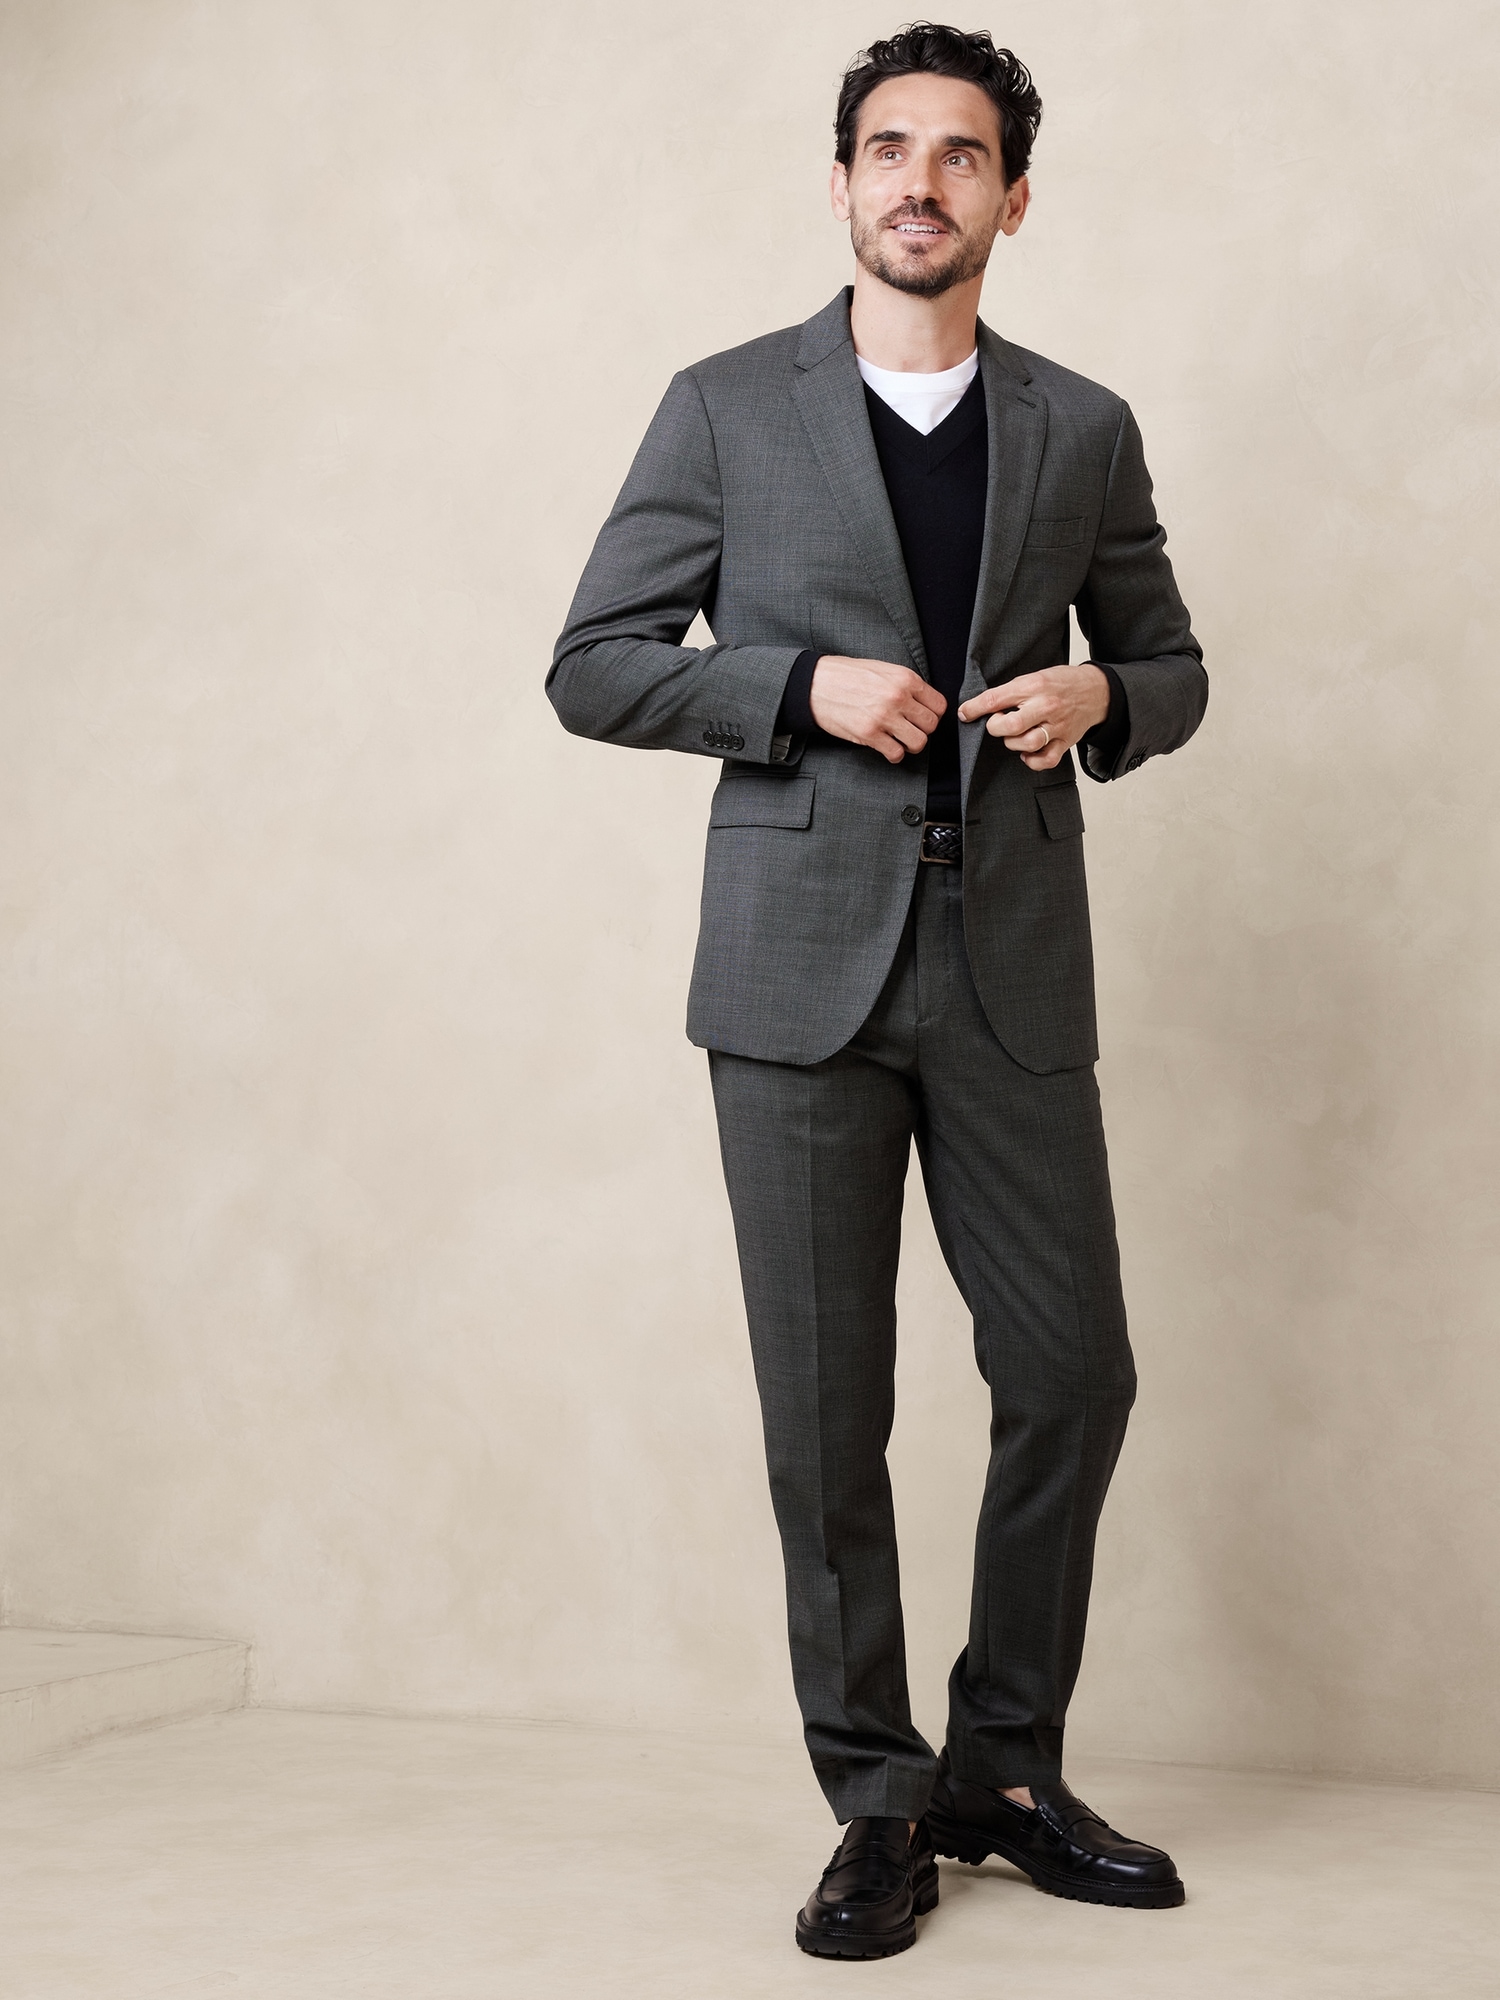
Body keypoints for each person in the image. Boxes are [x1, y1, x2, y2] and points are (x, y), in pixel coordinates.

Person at [548, 22, 1206, 1961]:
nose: (924, 181)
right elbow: (593, 662)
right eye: (891, 149)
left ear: (1015, 197)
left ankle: (1003, 1767)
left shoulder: (1084, 427)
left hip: (1013, 973)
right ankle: (875, 1798)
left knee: (1073, 1372)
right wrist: (793, 687)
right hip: (793, 980)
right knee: (826, 1420)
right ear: (841, 181)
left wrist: (1103, 695)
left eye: (963, 153)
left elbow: (1171, 666)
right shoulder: (724, 409)